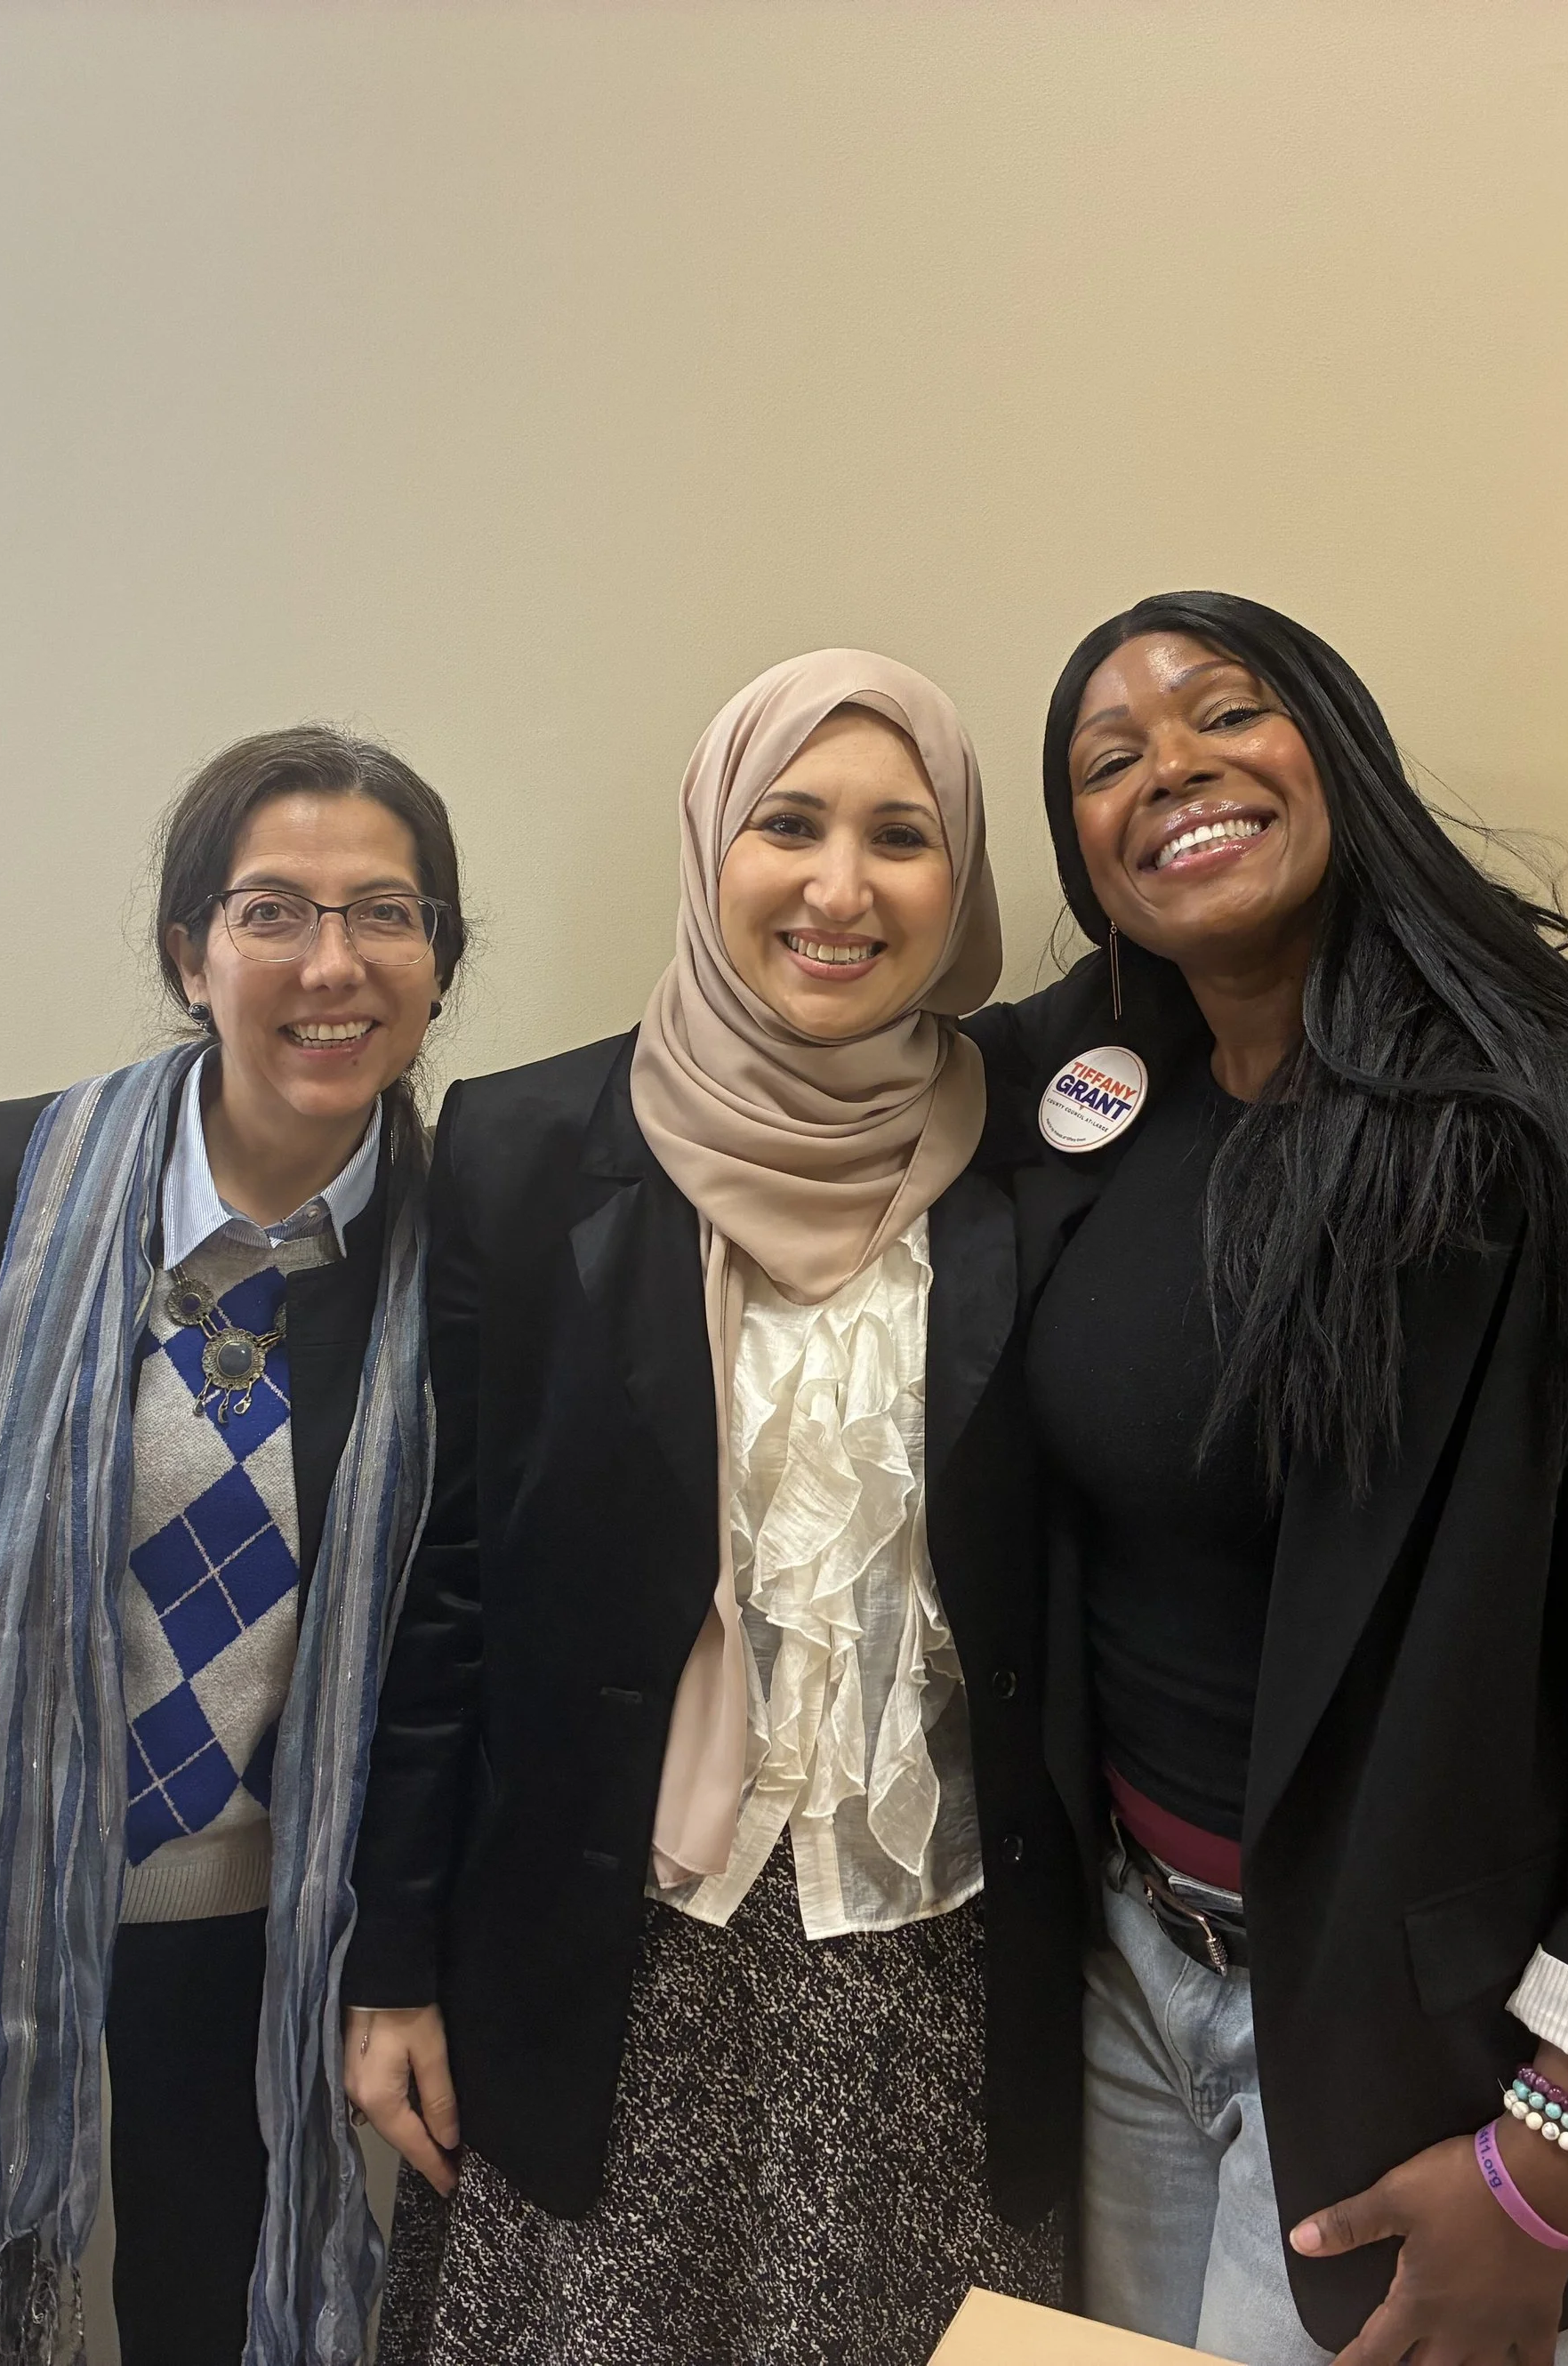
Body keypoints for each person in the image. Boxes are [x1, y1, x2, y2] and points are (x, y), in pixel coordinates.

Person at [967, 592, 1568, 2366]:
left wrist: (1556, 2154)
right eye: (1107, 760)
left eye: (1224, 714)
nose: (1171, 772)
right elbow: (854, 1052)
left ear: (1337, 750)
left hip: (1424, 2052)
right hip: (1126, 1985)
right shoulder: (1093, 1095)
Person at [343, 652, 1081, 2365]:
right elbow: (443, 1588)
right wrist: (391, 1962)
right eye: (790, 824)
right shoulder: (525, 1148)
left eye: (901, 836)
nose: (840, 887)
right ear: (710, 848)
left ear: (957, 881)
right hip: (605, 1959)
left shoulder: (1038, 1161)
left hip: (929, 1976)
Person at [0, 727, 464, 2366]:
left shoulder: (460, 1248)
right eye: (274, 912)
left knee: (207, 2305)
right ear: (192, 955)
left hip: (247, 1919)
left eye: (384, 914)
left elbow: (444, 1633)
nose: (330, 964)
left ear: (436, 963)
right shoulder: (4, 1175)